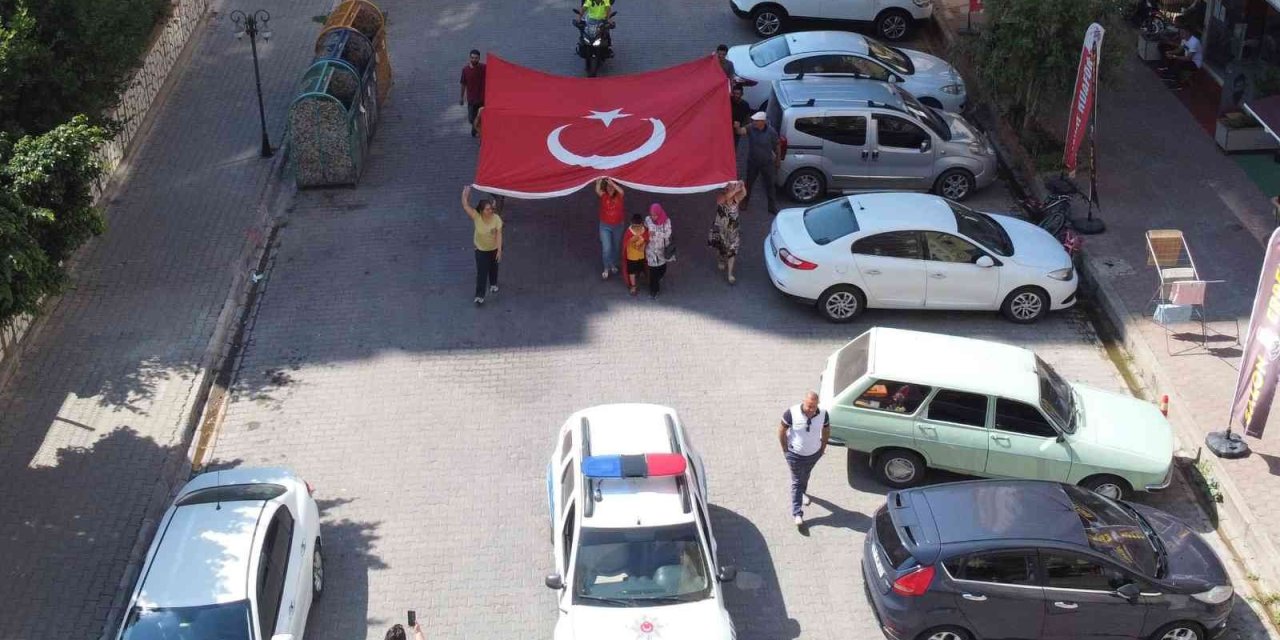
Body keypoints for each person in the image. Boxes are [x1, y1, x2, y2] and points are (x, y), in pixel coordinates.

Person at [778, 391, 829, 528]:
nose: (811, 410)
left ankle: (802, 493)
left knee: (805, 475)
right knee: (796, 481)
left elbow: (826, 430)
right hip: (795, 454)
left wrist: (823, 447)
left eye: (814, 406)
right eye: (808, 406)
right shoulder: (791, 413)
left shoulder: (823, 414)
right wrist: (785, 449)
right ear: (803, 402)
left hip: (813, 454)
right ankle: (797, 513)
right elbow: (781, 431)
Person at [462, 185, 502, 305]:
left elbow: (499, 235)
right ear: (482, 211)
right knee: (482, 272)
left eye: (491, 209)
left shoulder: (496, 219)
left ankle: (493, 283)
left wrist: (499, 250)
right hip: (480, 250)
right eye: (487, 209)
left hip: (494, 249)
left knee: (493, 267)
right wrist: (465, 193)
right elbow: (465, 205)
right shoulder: (476, 216)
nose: (490, 211)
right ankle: (479, 296)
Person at [741, 112, 782, 215]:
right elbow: (741, 132)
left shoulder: (771, 132)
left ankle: (771, 207)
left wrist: (778, 160)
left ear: (762, 122)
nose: (753, 122)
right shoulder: (751, 128)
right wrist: (737, 128)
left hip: (767, 163)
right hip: (753, 162)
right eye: (753, 120)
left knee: (770, 185)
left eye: (756, 121)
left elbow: (777, 145)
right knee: (749, 183)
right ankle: (745, 201)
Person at [708, 181, 745, 284]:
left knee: (732, 252)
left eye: (733, 184)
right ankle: (720, 260)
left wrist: (742, 186)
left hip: (733, 229)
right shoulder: (722, 195)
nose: (732, 185)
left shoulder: (736, 198)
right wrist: (736, 189)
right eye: (731, 184)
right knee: (720, 248)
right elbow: (721, 200)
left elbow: (744, 194)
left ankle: (730, 274)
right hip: (721, 227)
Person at [595, 177, 626, 280]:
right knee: (606, 248)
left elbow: (621, 190)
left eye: (611, 187)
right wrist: (598, 179)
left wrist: (612, 183)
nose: (610, 188)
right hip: (605, 226)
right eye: (608, 187)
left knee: (616, 247)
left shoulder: (620, 196)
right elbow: (597, 190)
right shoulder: (604, 196)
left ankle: (612, 263)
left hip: (618, 226)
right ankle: (606, 267)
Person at [644, 203, 673, 299]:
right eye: (652, 215)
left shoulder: (667, 221)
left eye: (655, 215)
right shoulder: (648, 220)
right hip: (651, 250)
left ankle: (659, 278)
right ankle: (654, 290)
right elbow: (644, 229)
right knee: (653, 272)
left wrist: (655, 233)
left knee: (662, 269)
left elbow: (668, 234)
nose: (653, 217)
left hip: (661, 249)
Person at [460, 50, 486, 137]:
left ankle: (479, 131)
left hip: (482, 99)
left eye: (476, 58)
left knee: (482, 117)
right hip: (471, 99)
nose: (474, 59)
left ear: (479, 58)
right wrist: (461, 97)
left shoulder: (484, 67)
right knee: (471, 119)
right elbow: (463, 84)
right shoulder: (465, 70)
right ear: (469, 58)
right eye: (472, 58)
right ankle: (476, 127)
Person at [621, 213, 649, 296]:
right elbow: (625, 243)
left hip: (642, 256)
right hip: (631, 257)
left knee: (643, 268)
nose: (637, 228)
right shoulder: (629, 232)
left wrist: (643, 240)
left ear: (642, 224)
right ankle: (633, 286)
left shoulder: (644, 230)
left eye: (638, 226)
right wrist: (633, 240)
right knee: (631, 271)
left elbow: (647, 238)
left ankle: (646, 279)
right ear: (631, 224)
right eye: (635, 226)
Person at [729, 84, 753, 150]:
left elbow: (747, 119)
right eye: (734, 93)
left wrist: (742, 127)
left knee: (733, 147)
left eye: (738, 93)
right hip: (726, 128)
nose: (736, 95)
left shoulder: (745, 105)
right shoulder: (728, 102)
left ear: (742, 94)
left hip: (737, 131)